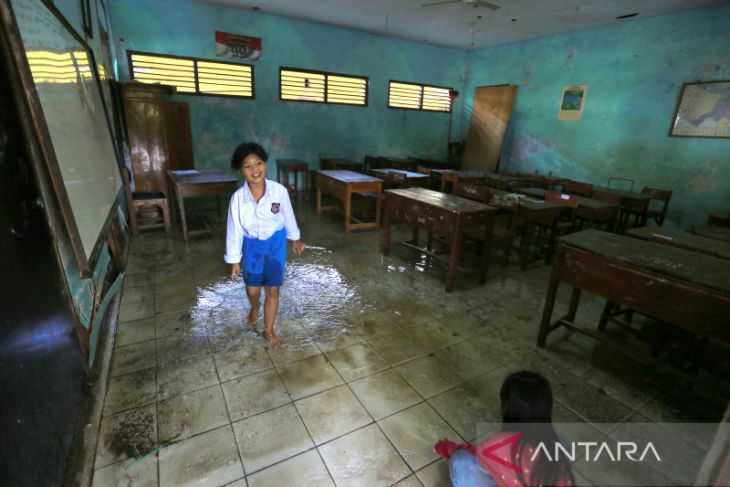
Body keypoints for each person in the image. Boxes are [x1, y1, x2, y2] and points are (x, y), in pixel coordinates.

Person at [225, 142, 305, 347]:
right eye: (248, 166)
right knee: (252, 290)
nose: (255, 170)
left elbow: (288, 215)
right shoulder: (237, 200)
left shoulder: (279, 192)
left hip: (276, 244)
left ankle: (269, 330)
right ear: (241, 170)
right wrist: (235, 260)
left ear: (265, 164)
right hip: (252, 246)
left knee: (273, 290)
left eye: (258, 163)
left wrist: (294, 238)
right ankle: (254, 307)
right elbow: (234, 231)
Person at [434, 371, 574, 487]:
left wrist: (448, 448)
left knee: (461, 460)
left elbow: (477, 454)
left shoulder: (501, 444)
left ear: (507, 408)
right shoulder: (559, 443)